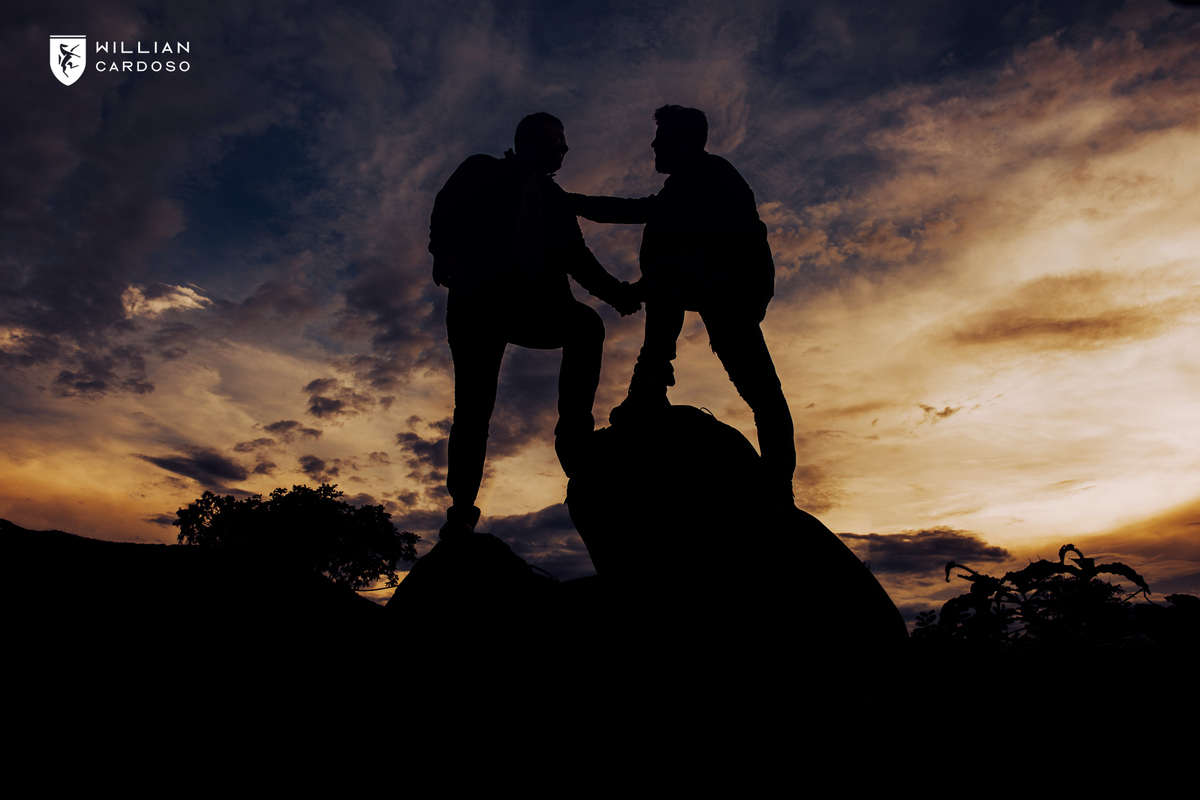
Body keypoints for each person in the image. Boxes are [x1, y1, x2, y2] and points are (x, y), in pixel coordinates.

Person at [568, 105, 796, 508]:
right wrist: (574, 202)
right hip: (718, 289)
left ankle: (651, 380)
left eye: (662, 137)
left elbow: (694, 233)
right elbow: (638, 211)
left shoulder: (713, 174)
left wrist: (641, 287)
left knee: (761, 390)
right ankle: (779, 486)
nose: (654, 144)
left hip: (735, 283)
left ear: (685, 140)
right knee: (761, 390)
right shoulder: (682, 185)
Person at [429, 112, 640, 539]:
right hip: (480, 304)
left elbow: (576, 257)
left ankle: (573, 438)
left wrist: (617, 294)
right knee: (473, 408)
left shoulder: (554, 197)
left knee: (585, 325)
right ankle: (462, 511)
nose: (565, 148)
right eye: (558, 138)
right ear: (531, 136)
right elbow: (446, 207)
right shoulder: (482, 169)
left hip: (535, 306)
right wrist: (443, 250)